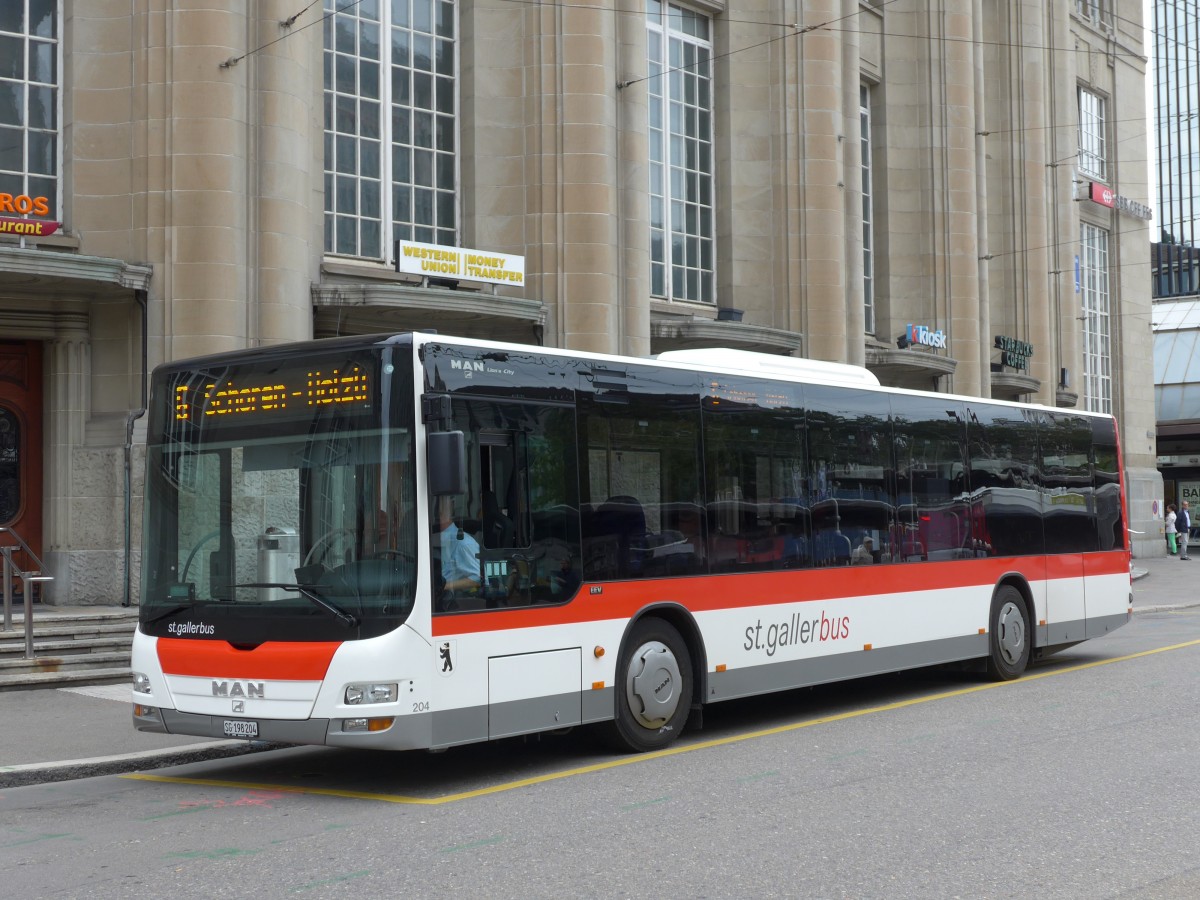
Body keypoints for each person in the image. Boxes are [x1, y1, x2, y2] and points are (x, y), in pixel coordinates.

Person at [437, 498, 481, 595]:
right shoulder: (435, 538)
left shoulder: (463, 543)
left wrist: (445, 586)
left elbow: (477, 578)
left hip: (450, 600)